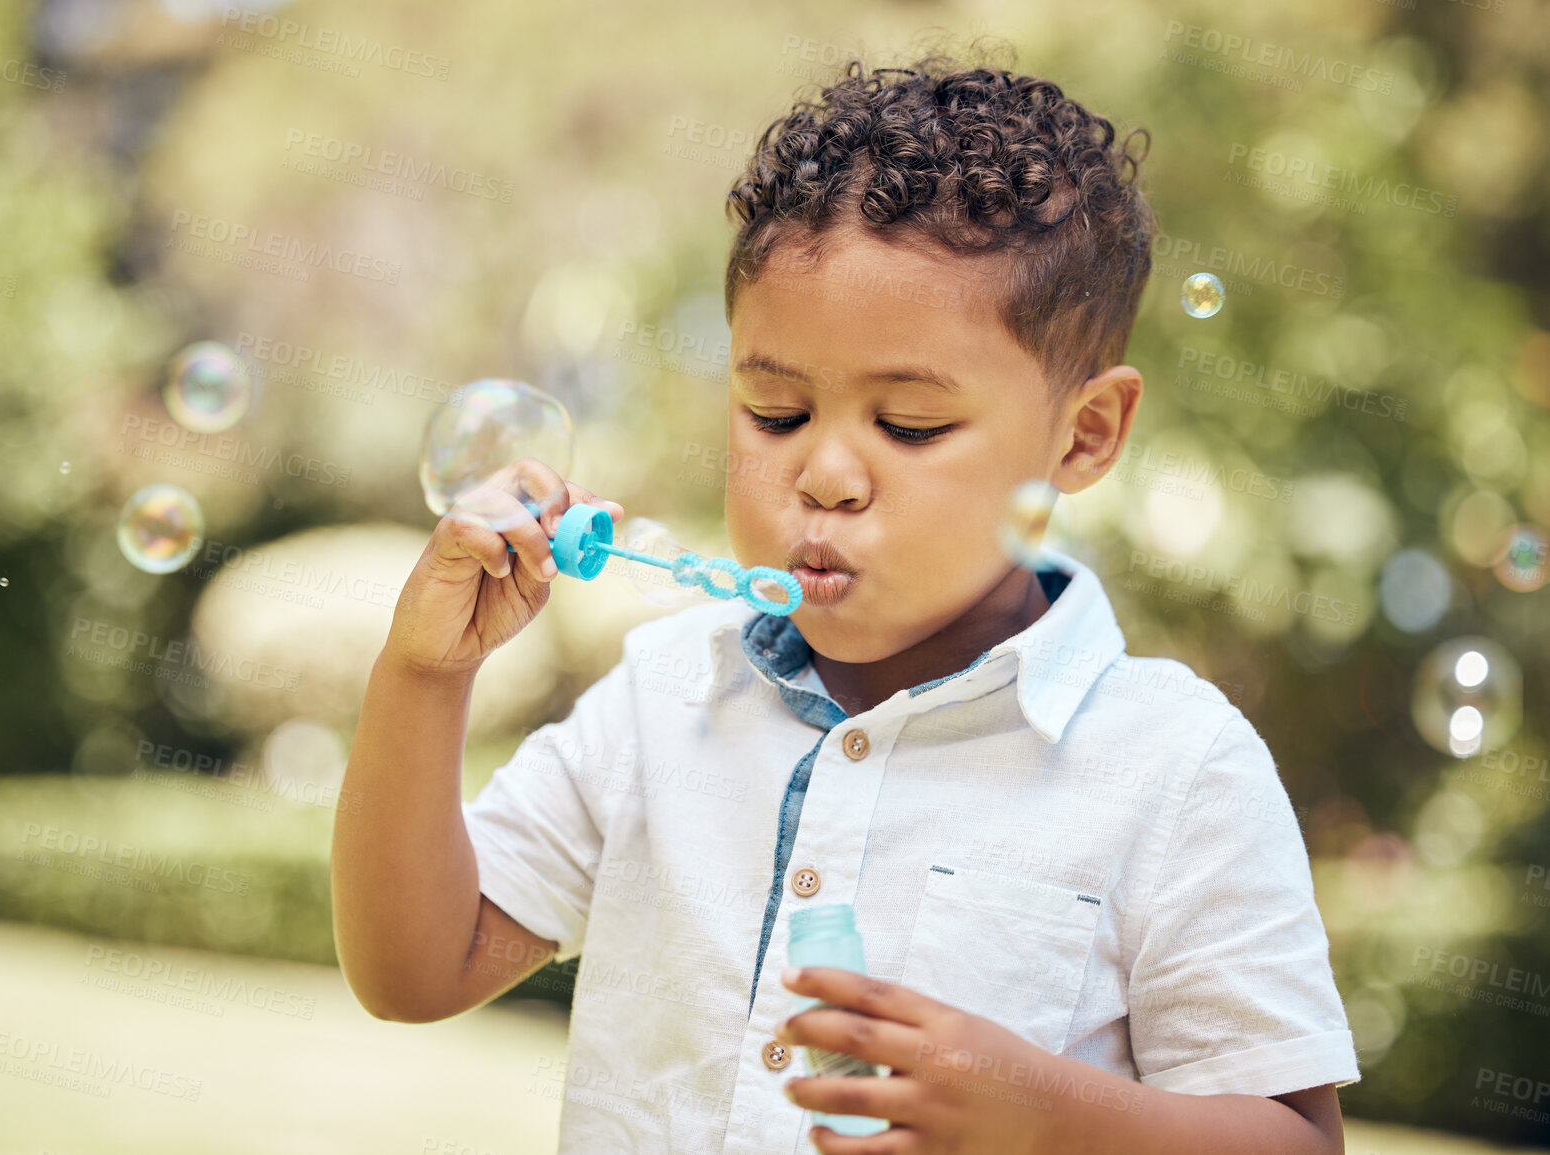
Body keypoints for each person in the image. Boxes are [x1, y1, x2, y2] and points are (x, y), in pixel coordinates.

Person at [331, 41, 1358, 1155]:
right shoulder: (663, 698)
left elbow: (1295, 1142)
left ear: (1085, 433)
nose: (823, 475)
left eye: (909, 426)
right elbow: (414, 969)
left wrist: (1054, 1119)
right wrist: (426, 676)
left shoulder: (1173, 767)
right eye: (774, 412)